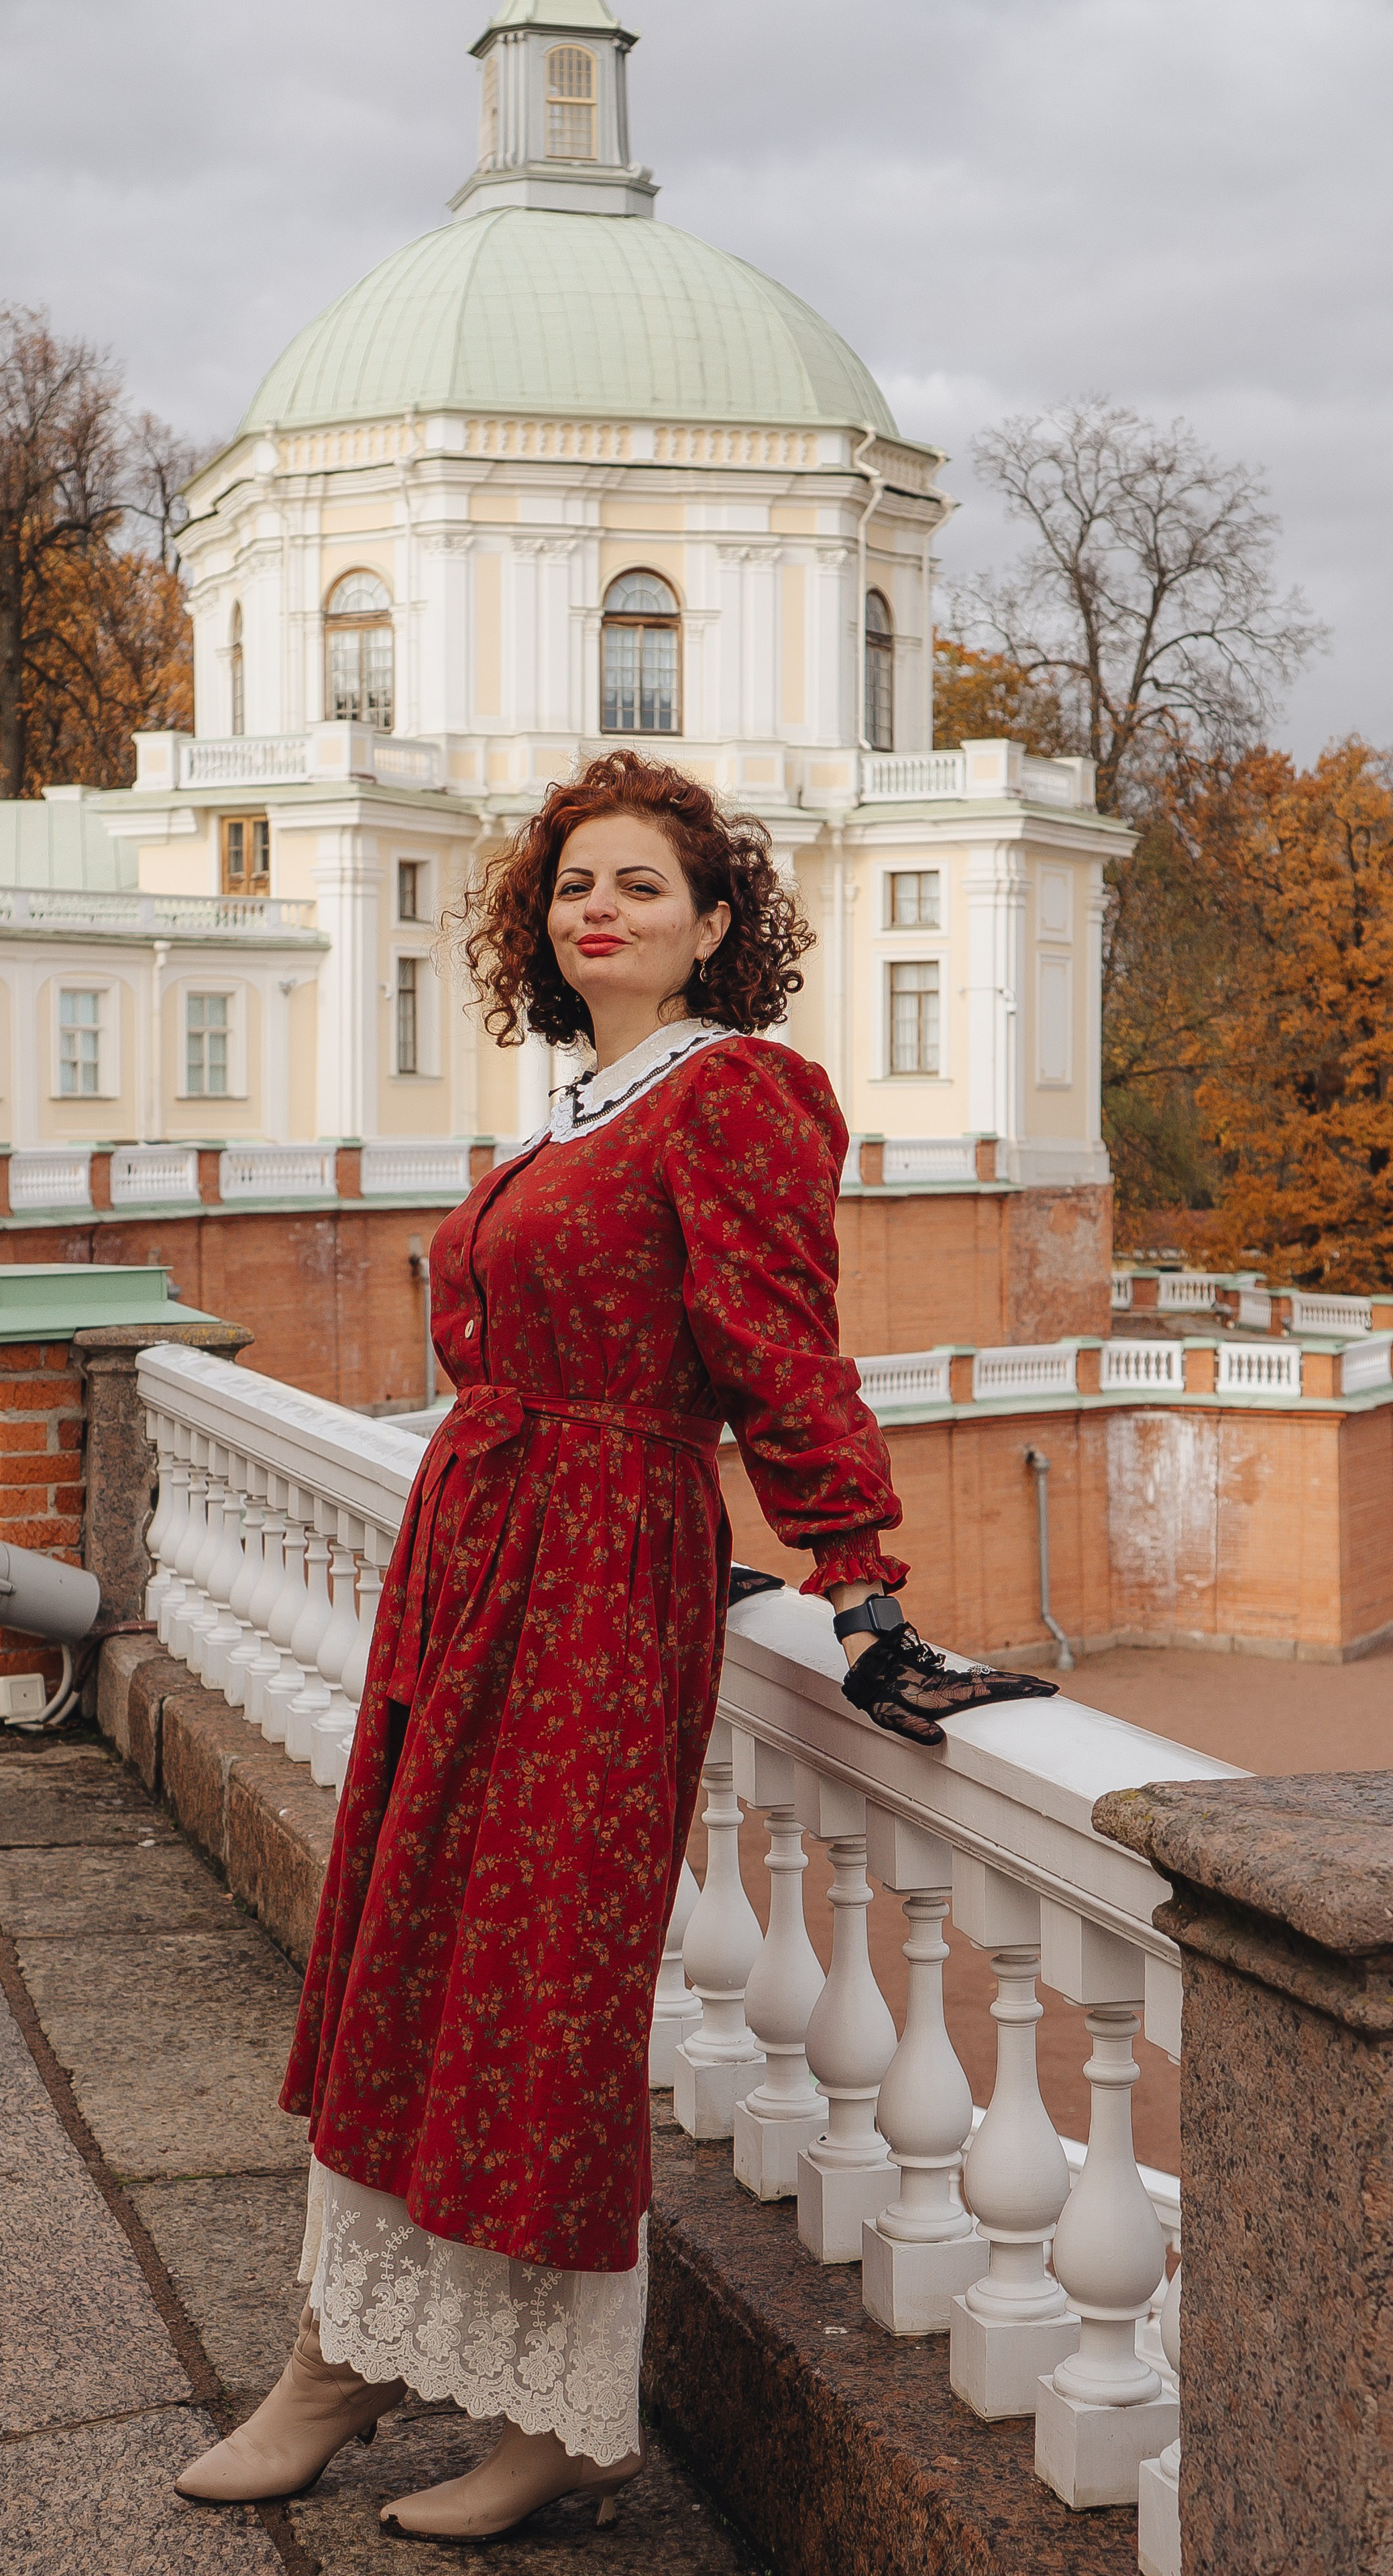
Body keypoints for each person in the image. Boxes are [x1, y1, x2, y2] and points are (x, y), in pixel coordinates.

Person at [176, 749, 1052, 2534]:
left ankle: (560, 2411)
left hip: (594, 1579)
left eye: (646, 884)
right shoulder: (575, 1102)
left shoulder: (733, 1094)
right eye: (579, 881)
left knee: (543, 1985)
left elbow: (778, 1342)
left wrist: (858, 1577)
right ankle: (341, 2351)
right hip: (479, 1553)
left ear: (717, 923)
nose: (604, 908)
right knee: (410, 1950)